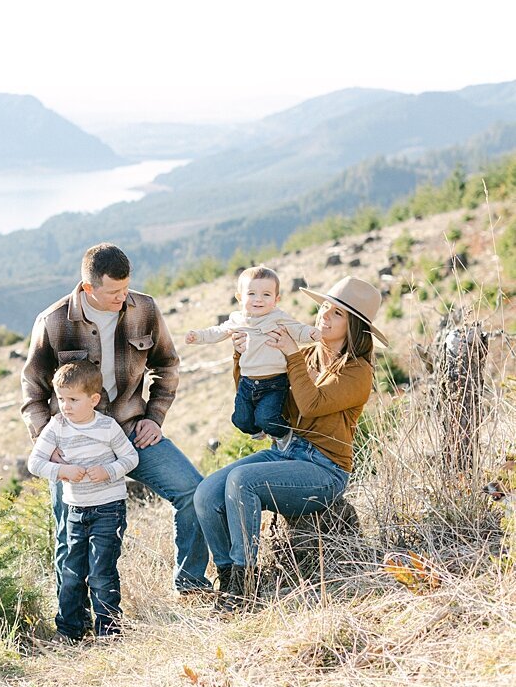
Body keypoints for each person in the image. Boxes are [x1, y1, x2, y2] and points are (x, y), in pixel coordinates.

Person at [21, 242, 211, 595]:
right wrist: (47, 442)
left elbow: (167, 365)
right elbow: (32, 387)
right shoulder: (52, 321)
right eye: (113, 292)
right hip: (72, 445)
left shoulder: (145, 309)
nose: (122, 297)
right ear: (89, 287)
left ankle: (191, 585)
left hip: (129, 432)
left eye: (125, 288)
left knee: (193, 491)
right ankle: (72, 621)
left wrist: (155, 417)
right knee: (69, 536)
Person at [193, 275, 386, 612]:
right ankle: (229, 579)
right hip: (286, 452)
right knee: (207, 492)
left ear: (354, 325)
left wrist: (291, 355)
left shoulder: (358, 371)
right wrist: (241, 358)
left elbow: (312, 404)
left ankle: (246, 583)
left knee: (243, 481)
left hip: (325, 468)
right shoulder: (307, 356)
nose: (324, 315)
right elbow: (262, 392)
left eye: (337, 313)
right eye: (324, 306)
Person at [27, 361, 139, 640]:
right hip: (75, 509)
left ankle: (109, 632)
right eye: (61, 399)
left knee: (101, 571)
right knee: (71, 570)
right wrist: (61, 471)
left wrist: (108, 471)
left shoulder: (107, 427)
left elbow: (131, 458)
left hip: (108, 509)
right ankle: (70, 630)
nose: (65, 406)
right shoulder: (57, 426)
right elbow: (35, 463)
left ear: (94, 400)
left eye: (73, 400)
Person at [186, 265, 320, 440]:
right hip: (247, 382)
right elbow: (218, 332)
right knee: (240, 420)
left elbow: (297, 329)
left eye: (266, 294)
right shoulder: (237, 319)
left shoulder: (278, 317)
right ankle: (258, 432)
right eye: (251, 294)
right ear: (239, 297)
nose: (259, 299)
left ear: (276, 299)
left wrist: (310, 333)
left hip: (275, 382)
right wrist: (198, 336)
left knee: (268, 418)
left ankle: (283, 435)